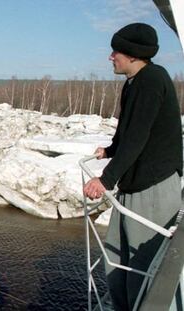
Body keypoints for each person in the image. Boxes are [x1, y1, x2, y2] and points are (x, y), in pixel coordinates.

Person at [83, 23, 183, 310]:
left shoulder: (152, 80)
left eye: (116, 51)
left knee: (140, 266)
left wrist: (105, 179)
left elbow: (139, 135)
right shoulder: (134, 83)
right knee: (116, 258)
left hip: (152, 186)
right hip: (133, 184)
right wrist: (111, 150)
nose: (110, 57)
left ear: (133, 54)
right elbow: (129, 131)